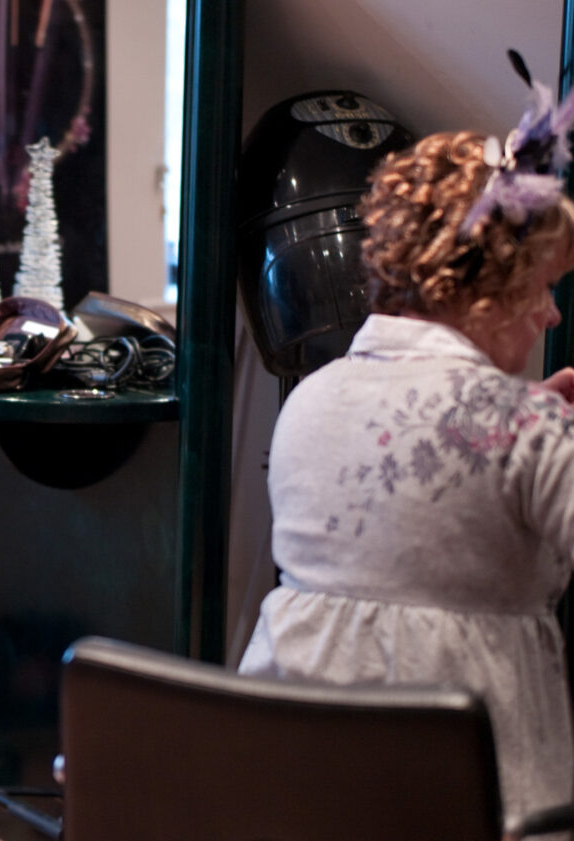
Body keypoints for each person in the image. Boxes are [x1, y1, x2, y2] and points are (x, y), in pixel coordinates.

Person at [238, 77, 574, 826]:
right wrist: (546, 437)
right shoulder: (526, 431)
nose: (552, 314)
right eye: (545, 287)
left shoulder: (306, 406)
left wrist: (536, 428)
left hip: (297, 799)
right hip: (469, 809)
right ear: (489, 290)